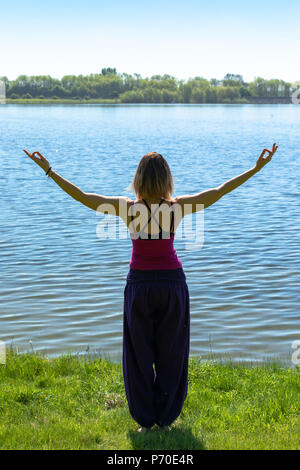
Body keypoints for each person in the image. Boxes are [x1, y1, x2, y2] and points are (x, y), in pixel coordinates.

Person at [23, 143, 278, 433]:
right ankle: (166, 419)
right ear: (167, 179)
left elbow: (83, 198)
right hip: (172, 284)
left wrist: (49, 171)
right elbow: (219, 191)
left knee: (138, 353)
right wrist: (256, 169)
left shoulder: (127, 208)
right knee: (172, 351)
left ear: (139, 179)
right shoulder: (177, 207)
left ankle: (146, 421)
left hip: (140, 286)